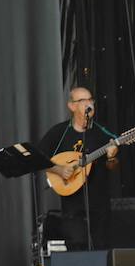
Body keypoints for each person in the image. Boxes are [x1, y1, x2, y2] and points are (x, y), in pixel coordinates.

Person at [38, 86, 119, 250]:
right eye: (83, 100)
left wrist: (111, 156)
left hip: (99, 201)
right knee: (76, 246)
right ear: (72, 106)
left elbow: (113, 166)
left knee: (102, 247)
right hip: (72, 201)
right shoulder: (59, 132)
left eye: (90, 100)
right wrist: (59, 170)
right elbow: (39, 158)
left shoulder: (102, 133)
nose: (89, 104)